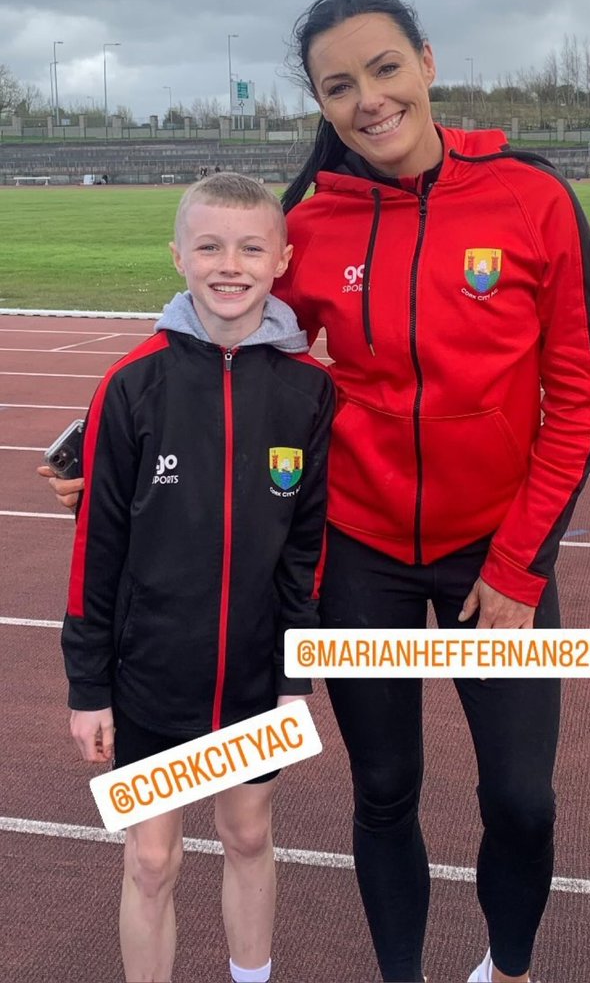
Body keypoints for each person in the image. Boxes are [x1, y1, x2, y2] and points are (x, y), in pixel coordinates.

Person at [42, 0, 590, 983]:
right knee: (384, 790)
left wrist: (520, 570)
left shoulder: (532, 197)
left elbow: (579, 397)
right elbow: (226, 320)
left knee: (522, 796)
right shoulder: (318, 221)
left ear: (427, 63)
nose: (368, 99)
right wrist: (104, 428)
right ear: (322, 102)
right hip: (362, 554)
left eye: (384, 68)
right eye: (338, 85)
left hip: (496, 560)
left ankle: (511, 969)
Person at [53, 173, 334, 983]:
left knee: (248, 837)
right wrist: (87, 686)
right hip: (149, 679)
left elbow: (303, 552)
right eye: (208, 245)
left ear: (281, 258)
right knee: (150, 859)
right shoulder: (132, 384)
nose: (229, 264)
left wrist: (293, 678)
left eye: (250, 247)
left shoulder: (307, 392)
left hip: (252, 676)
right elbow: (95, 549)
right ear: (178, 254)